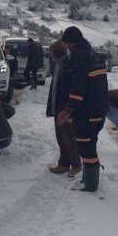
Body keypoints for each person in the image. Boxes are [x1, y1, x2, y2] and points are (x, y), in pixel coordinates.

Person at [57, 26, 108, 192]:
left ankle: (90, 185)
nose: (65, 47)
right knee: (88, 144)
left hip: (88, 112)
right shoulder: (92, 55)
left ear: (71, 42)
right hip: (96, 110)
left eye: (66, 44)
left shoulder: (80, 57)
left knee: (86, 147)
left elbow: (78, 89)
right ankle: (87, 180)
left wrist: (67, 110)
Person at [46, 40, 81, 177]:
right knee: (61, 138)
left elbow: (72, 89)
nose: (50, 56)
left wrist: (68, 110)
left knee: (68, 139)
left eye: (51, 52)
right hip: (57, 109)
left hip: (65, 110)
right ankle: (64, 164)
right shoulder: (58, 65)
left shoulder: (68, 66)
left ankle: (76, 165)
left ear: (57, 53)